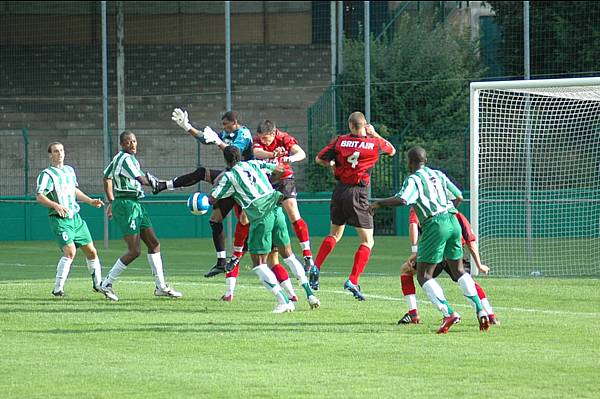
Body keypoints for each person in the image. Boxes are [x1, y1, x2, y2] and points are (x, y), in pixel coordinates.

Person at [369, 146, 489, 333]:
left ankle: (448, 312)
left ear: (409, 163)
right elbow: (458, 195)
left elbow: (402, 199)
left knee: (423, 275)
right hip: (452, 219)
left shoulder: (414, 179)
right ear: (425, 160)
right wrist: (448, 208)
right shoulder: (438, 174)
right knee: (458, 271)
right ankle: (480, 310)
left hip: (435, 224)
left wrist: (378, 203)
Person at [209, 145, 320, 313]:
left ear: (226, 161)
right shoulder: (253, 163)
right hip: (277, 209)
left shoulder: (229, 176)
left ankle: (283, 301)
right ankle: (310, 295)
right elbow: (279, 169)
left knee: (259, 264)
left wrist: (199, 200)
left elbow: (213, 198)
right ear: (240, 156)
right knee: (288, 256)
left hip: (261, 217)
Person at [148, 109, 253, 278]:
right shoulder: (227, 134)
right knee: (214, 218)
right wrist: (187, 126)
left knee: (247, 225)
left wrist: (218, 141)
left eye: (226, 125)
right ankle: (221, 262)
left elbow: (235, 152)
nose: (223, 128)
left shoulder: (244, 134)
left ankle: (239, 255)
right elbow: (205, 138)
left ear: (235, 123)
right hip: (231, 178)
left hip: (244, 183)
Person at [311, 111, 396, 300]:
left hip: (340, 191)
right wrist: (374, 134)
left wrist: (333, 164)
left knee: (334, 234)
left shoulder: (340, 141)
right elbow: (392, 150)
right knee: (367, 241)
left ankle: (315, 266)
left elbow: (319, 159)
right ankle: (353, 279)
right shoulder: (374, 144)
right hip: (358, 193)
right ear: (365, 125)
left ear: (350, 125)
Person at [98, 131, 182, 301]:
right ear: (122, 144)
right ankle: (106, 283)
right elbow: (141, 179)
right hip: (127, 205)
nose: (133, 144)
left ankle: (161, 287)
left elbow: (106, 176)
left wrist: (111, 201)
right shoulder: (125, 159)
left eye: (134, 141)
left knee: (154, 243)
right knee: (134, 250)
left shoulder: (124, 159)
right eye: (128, 142)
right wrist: (164, 184)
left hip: (136, 204)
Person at [398, 207, 499, 325]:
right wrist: (479, 264)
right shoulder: (456, 213)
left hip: (435, 251)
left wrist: (415, 251)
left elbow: (413, 224)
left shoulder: (422, 204)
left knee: (409, 271)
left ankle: (414, 313)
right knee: (465, 278)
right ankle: (490, 315)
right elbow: (470, 241)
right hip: (455, 253)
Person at [35, 142, 106, 297]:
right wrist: (55, 205)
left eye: (61, 150)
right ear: (50, 155)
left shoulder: (69, 171)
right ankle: (58, 289)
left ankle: (98, 285)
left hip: (76, 218)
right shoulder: (47, 174)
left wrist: (90, 201)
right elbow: (39, 196)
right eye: (55, 151)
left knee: (92, 252)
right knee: (70, 252)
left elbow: (73, 190)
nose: (59, 153)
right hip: (60, 218)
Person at [251, 120, 314, 271]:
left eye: (266, 138)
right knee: (266, 219)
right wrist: (272, 154)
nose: (263, 141)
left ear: (273, 134)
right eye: (261, 138)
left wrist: (289, 158)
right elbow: (256, 153)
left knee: (293, 212)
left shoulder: (284, 138)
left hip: (284, 178)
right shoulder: (257, 140)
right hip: (265, 181)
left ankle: (307, 254)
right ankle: (274, 260)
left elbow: (301, 153)